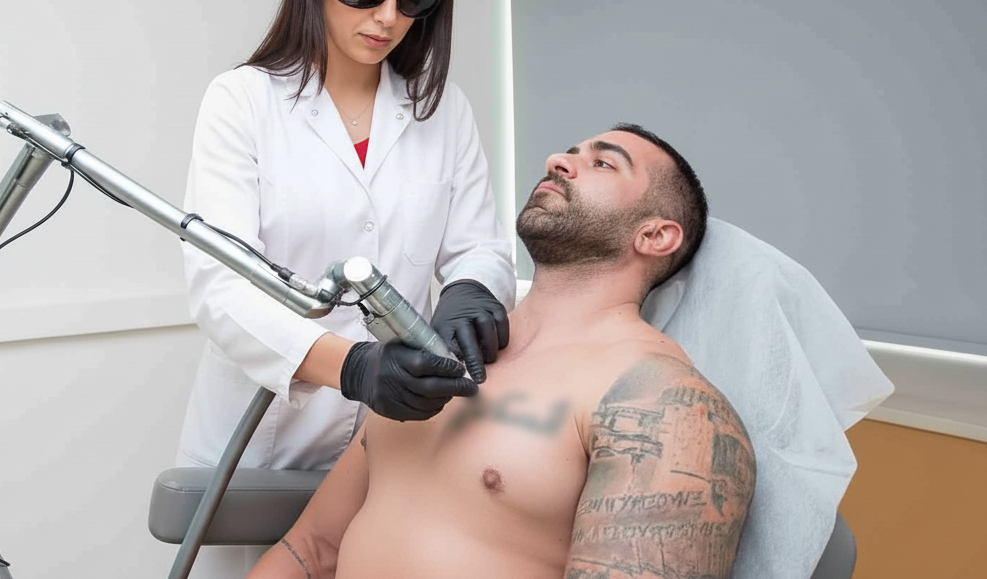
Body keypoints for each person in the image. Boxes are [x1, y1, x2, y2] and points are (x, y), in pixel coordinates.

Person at [175, 0, 516, 572]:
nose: (388, 17)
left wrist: (471, 292)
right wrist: (354, 366)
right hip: (260, 440)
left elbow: (479, 246)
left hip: (391, 447)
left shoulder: (442, 111)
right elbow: (221, 286)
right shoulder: (243, 101)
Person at [249, 124, 757, 579]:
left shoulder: (665, 404)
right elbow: (310, 551)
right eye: (569, 151)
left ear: (656, 235)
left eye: (603, 163)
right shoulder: (434, 360)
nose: (558, 161)